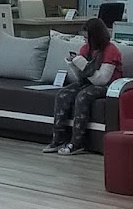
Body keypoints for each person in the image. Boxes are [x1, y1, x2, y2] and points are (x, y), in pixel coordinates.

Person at [43, 17, 123, 155]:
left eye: (87, 38)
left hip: (110, 86)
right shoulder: (85, 49)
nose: (85, 40)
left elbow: (102, 80)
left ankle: (77, 142)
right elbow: (81, 77)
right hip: (88, 82)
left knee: (83, 96)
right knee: (63, 94)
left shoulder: (111, 51)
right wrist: (73, 64)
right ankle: (59, 138)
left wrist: (81, 64)